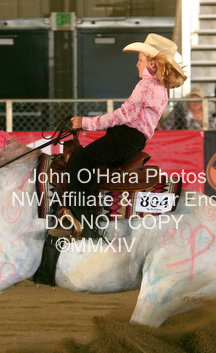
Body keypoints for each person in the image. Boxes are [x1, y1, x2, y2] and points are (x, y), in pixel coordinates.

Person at [58, 33, 186, 237]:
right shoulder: (159, 88)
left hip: (125, 137)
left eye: (140, 59)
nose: (137, 64)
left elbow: (123, 115)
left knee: (79, 161)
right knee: (90, 164)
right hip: (132, 139)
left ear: (152, 63)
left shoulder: (146, 86)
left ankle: (83, 222)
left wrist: (86, 123)